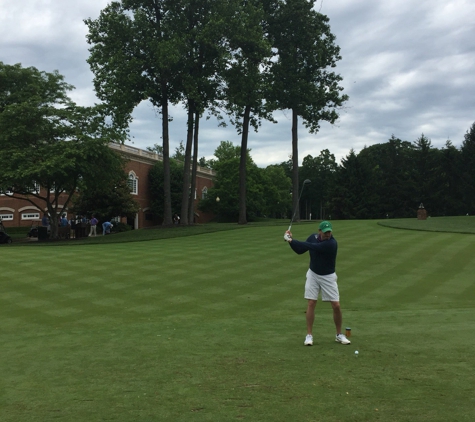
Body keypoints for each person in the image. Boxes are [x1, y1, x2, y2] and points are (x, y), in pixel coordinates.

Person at [284, 221, 351, 346]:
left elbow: (313, 247)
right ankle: (309, 335)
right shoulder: (312, 237)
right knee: (311, 302)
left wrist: (291, 239)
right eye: (325, 232)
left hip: (328, 276)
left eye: (329, 232)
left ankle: (339, 334)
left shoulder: (331, 243)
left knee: (336, 305)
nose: (328, 234)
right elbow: (300, 250)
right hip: (313, 274)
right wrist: (290, 242)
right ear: (319, 231)